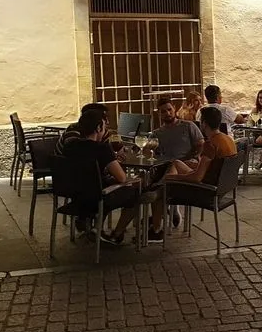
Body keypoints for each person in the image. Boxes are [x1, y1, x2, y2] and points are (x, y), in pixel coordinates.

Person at [149, 106, 238, 239]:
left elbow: (196, 178)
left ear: (204, 124)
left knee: (161, 190)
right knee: (176, 163)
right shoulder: (228, 140)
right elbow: (213, 166)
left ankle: (156, 230)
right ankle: (165, 209)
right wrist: (191, 165)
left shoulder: (210, 144)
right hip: (221, 188)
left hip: (206, 191)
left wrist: (172, 177)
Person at [62, 108, 141, 246]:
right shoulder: (102, 148)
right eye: (104, 126)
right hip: (97, 199)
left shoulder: (69, 145)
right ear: (99, 128)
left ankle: (94, 228)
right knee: (136, 193)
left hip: (74, 197)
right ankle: (116, 234)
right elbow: (122, 178)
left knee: (103, 185)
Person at [153, 96, 203, 162]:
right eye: (163, 111)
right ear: (159, 113)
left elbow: (201, 145)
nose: (168, 113)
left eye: (169, 109)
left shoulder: (188, 126)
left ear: (174, 108)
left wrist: (196, 158)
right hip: (166, 164)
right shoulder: (157, 134)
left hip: (187, 163)